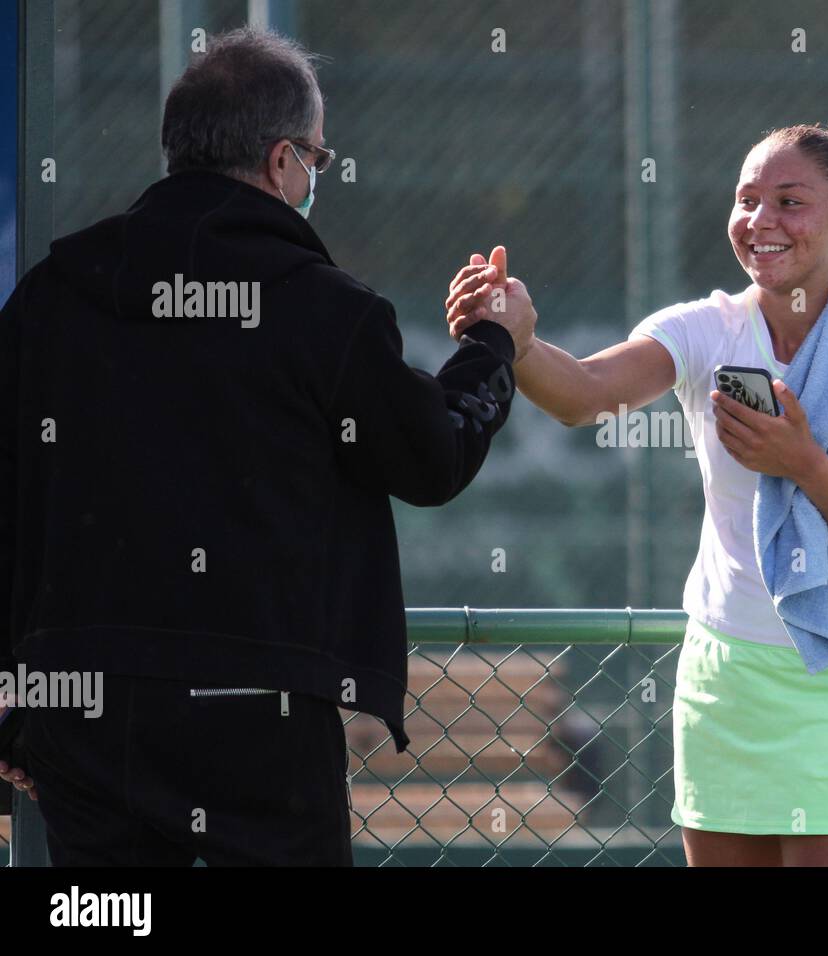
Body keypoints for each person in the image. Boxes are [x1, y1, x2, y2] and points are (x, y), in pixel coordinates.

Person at [0, 27, 531, 865]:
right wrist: (493, 346)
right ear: (284, 162)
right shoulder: (323, 308)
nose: (315, 178)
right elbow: (431, 458)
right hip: (257, 706)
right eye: (317, 158)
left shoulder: (54, 292)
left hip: (81, 702)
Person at [444, 123, 828, 866]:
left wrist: (806, 463)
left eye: (790, 201)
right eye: (748, 199)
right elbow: (584, 395)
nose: (761, 221)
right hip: (723, 684)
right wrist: (517, 340)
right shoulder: (705, 329)